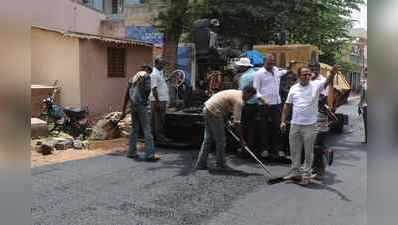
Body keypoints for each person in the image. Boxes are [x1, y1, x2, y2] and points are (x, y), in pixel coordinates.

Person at [280, 66, 336, 181]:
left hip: (310, 125)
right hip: (295, 124)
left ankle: (306, 174)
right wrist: (283, 121)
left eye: (308, 74)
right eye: (304, 74)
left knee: (309, 151)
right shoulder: (294, 88)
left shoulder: (316, 85)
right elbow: (287, 105)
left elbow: (326, 82)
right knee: (294, 150)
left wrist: (332, 73)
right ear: (299, 76)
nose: (307, 76)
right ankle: (295, 172)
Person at [194, 87, 257, 170]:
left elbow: (224, 106)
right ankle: (220, 164)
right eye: (250, 96)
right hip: (214, 112)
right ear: (247, 92)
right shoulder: (239, 101)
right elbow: (237, 123)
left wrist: (226, 122)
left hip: (207, 108)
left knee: (208, 139)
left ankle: (200, 164)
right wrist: (242, 140)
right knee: (221, 140)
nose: (250, 99)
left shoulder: (236, 92)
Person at [253, 55, 291, 159]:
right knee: (263, 127)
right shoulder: (259, 73)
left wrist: (289, 67)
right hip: (264, 105)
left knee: (277, 127)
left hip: (276, 103)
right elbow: (255, 90)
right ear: (264, 62)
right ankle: (264, 149)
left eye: (273, 62)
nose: (271, 65)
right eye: (269, 63)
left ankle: (278, 149)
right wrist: (263, 100)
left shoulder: (276, 70)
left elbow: (284, 72)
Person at [121, 65, 159, 161]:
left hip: (133, 106)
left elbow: (126, 95)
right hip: (141, 105)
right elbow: (147, 90)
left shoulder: (132, 78)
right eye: (149, 71)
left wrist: (123, 110)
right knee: (147, 129)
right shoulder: (146, 76)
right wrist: (145, 101)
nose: (149, 73)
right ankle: (150, 155)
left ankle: (131, 152)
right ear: (147, 70)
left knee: (134, 130)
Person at [150, 57, 171, 143]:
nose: (163, 65)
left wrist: (168, 79)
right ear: (157, 64)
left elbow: (160, 83)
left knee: (158, 120)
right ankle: (159, 138)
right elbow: (154, 89)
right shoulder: (154, 74)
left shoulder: (159, 73)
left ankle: (156, 137)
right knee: (159, 120)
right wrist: (158, 102)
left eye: (163, 64)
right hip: (158, 101)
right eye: (161, 64)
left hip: (161, 100)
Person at [358, 68, 367, 144]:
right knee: (366, 123)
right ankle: (367, 139)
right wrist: (359, 106)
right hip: (366, 106)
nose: (366, 73)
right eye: (365, 71)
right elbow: (361, 96)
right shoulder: (364, 84)